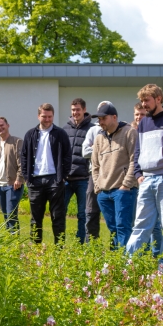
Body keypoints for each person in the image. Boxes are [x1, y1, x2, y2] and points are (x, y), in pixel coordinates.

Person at [126, 85, 163, 271]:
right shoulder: (143, 123)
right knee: (140, 224)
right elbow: (138, 150)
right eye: (142, 101)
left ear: (158, 99)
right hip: (146, 180)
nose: (144, 105)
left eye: (147, 100)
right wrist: (138, 174)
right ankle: (128, 263)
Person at [21, 103, 72, 244]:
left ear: (53, 116)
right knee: (35, 218)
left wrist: (63, 176)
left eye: (50, 116)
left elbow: (68, 155)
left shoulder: (60, 134)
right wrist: (27, 177)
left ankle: (59, 249)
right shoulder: (30, 134)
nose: (47, 119)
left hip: (55, 180)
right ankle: (36, 250)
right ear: (38, 116)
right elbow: (24, 157)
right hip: (35, 181)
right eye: (44, 116)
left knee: (58, 216)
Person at [90, 102, 138, 248]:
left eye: (103, 118)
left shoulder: (129, 132)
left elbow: (134, 160)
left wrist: (126, 185)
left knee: (123, 227)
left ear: (114, 117)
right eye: (99, 119)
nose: (100, 122)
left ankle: (126, 263)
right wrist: (98, 187)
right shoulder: (99, 138)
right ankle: (116, 260)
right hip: (104, 193)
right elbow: (95, 165)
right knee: (113, 229)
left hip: (123, 190)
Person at [81, 100, 114, 241]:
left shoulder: (118, 129)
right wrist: (101, 148)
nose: (101, 118)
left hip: (113, 174)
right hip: (94, 175)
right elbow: (84, 151)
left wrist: (96, 148)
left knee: (114, 214)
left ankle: (115, 248)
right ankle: (91, 246)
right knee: (91, 211)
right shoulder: (93, 130)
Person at [63, 98, 92, 242]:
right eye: (73, 110)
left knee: (83, 213)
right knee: (60, 211)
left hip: (84, 179)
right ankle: (60, 241)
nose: (75, 112)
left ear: (84, 110)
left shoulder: (92, 129)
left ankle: (82, 242)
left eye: (78, 110)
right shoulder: (64, 129)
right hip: (66, 179)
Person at [0, 117, 24, 233]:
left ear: (8, 125)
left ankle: (15, 242)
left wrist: (19, 179)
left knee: (11, 214)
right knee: (5, 216)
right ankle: (9, 241)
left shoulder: (17, 142)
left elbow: (22, 162)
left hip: (13, 185)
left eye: (1, 125)